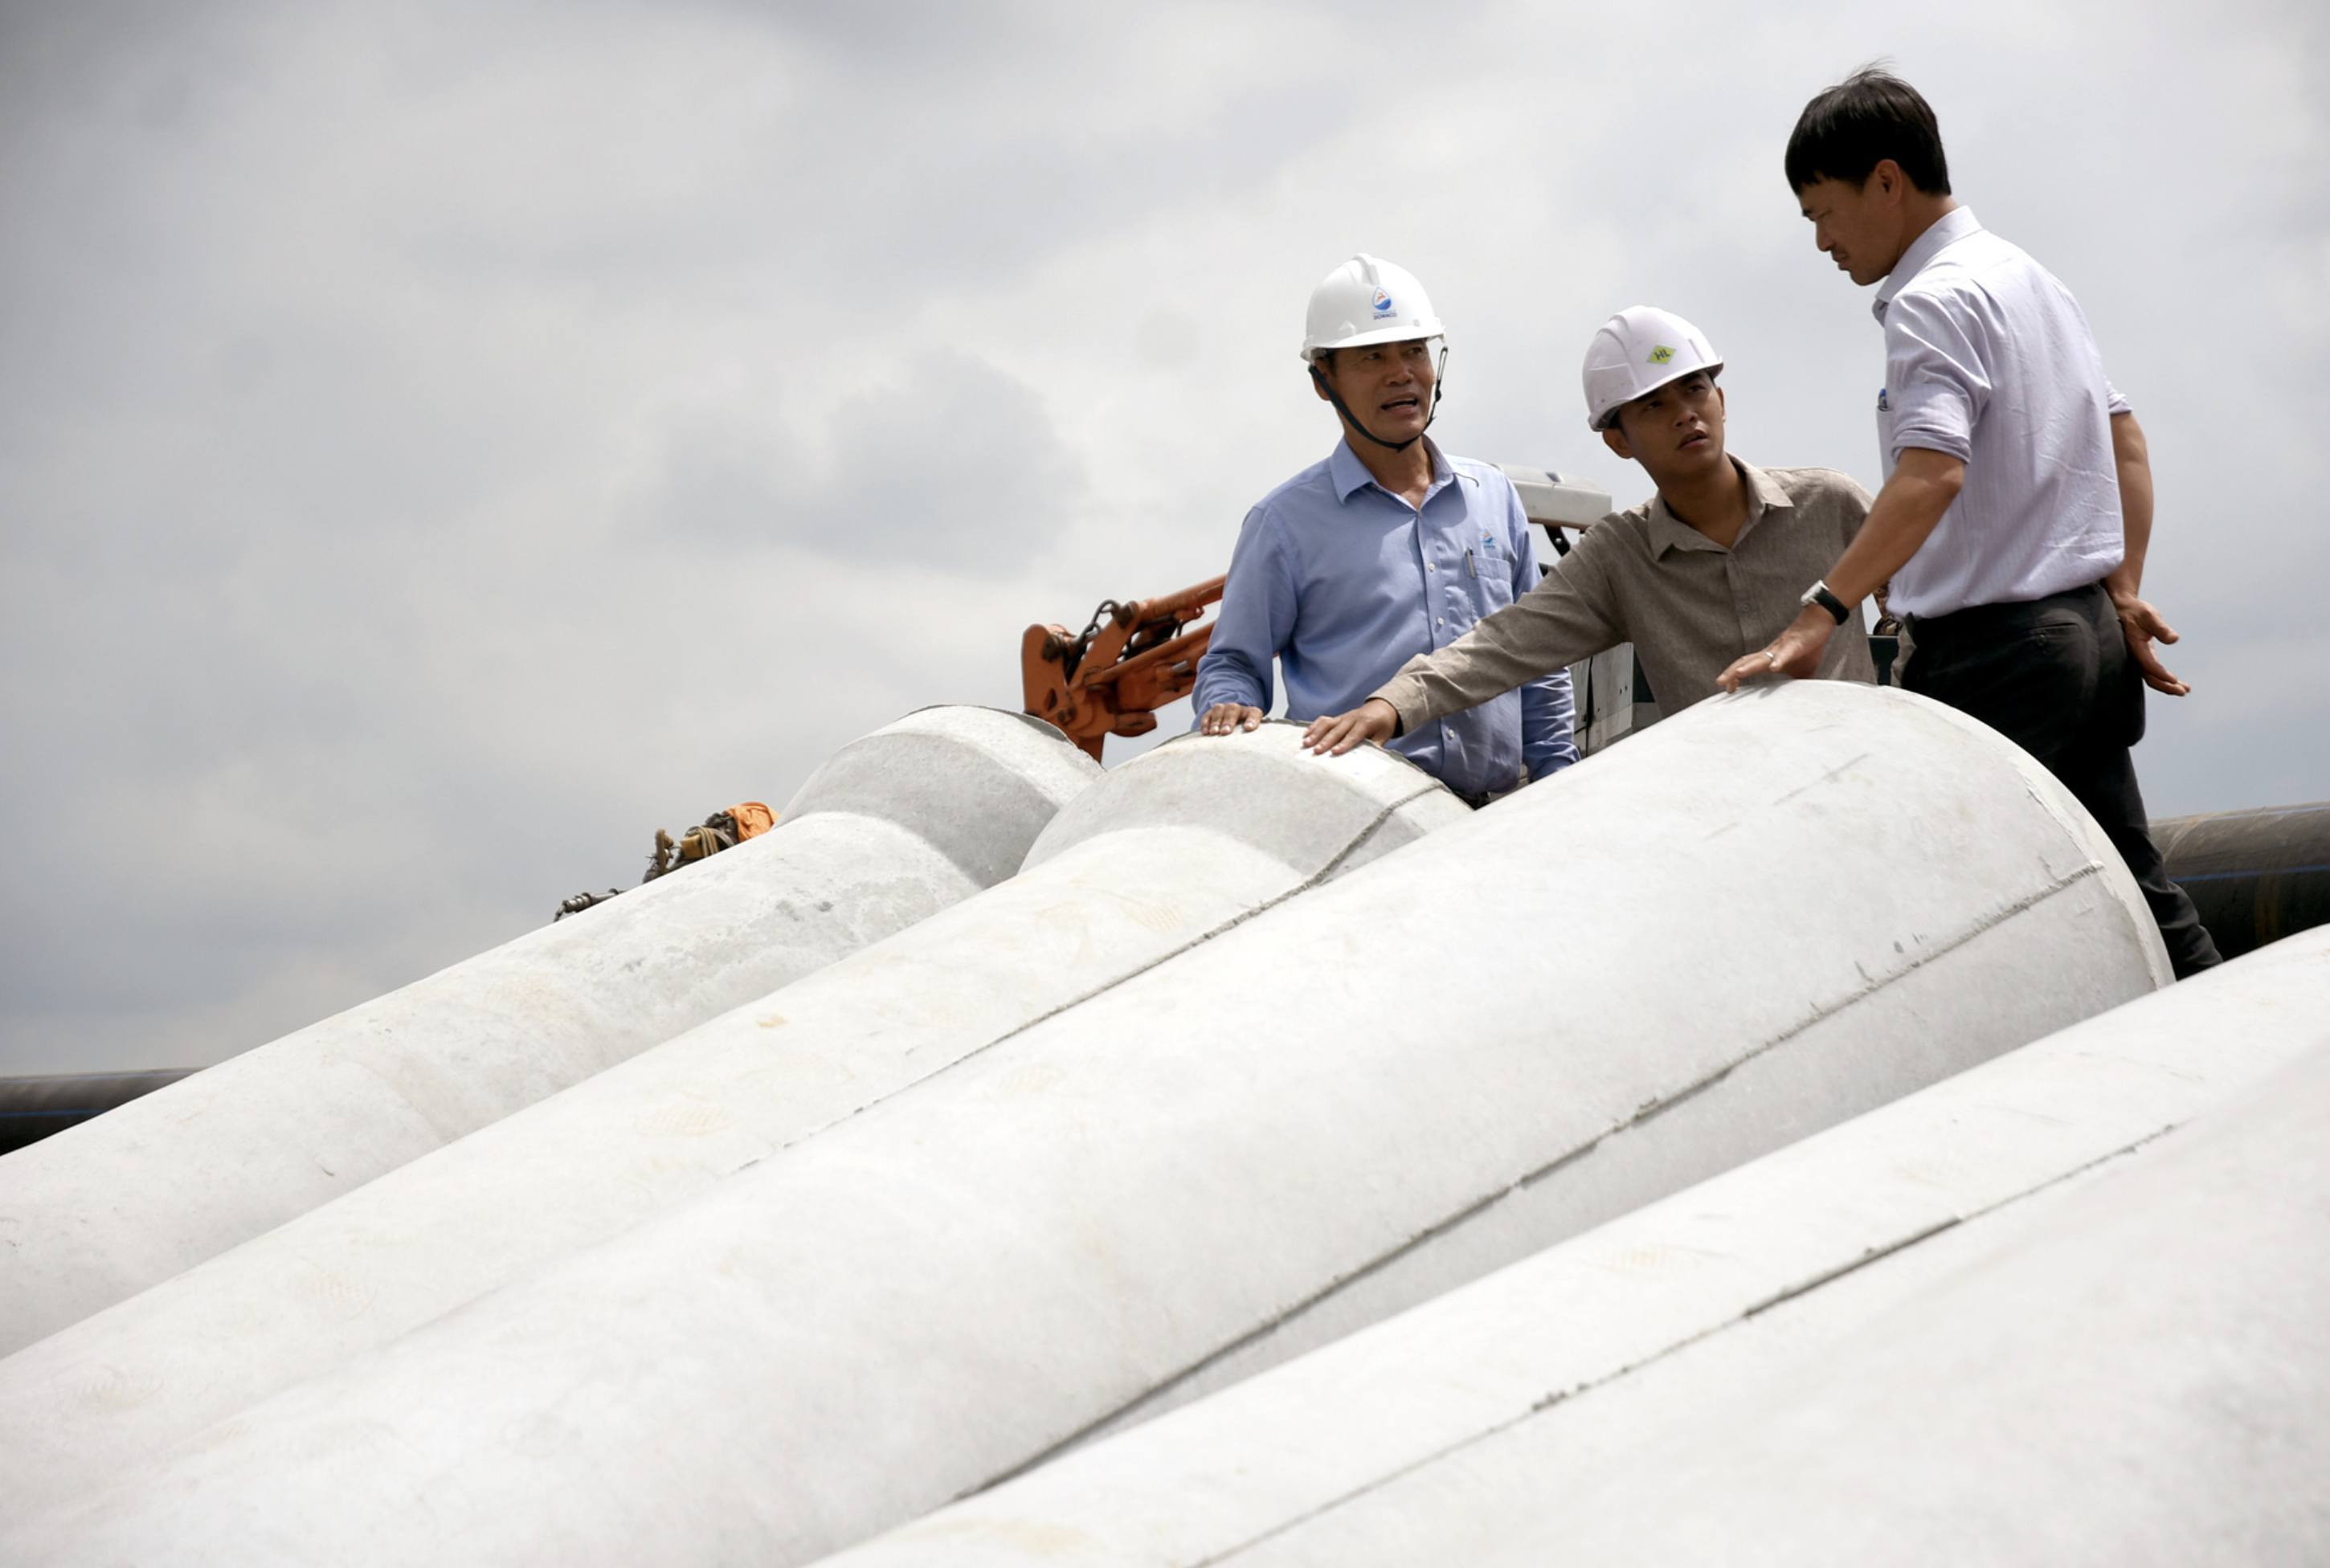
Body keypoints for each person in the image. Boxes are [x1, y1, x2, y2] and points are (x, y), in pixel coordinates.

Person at [1715, 67, 2218, 976]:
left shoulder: (1930, 299)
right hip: (2084, 640)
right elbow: (2125, 442)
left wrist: (1815, 615)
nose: (1822, 241)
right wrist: (2121, 588)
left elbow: (1928, 476)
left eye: (1822, 212)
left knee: (1945, 933)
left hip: (1997, 657)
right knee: (2133, 897)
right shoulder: (2030, 279)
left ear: (1884, 180)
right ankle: (2244, 1071)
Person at [1299, 305, 1875, 762]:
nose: (1685, 414)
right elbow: (1503, 643)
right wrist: (1392, 705)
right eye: (1653, 405)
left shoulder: (1831, 504)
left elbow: (1931, 601)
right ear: (1618, 441)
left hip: (1861, 779)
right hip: (1729, 823)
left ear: (1721, 400)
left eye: (1695, 390)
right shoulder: (1619, 559)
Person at [1193, 255, 1576, 804]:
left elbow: (1538, 655)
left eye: (1415, 351)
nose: (1401, 373)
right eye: (1373, 356)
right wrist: (1227, 705)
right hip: (1354, 820)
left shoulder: (1493, 498)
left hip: (1495, 819)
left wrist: (1558, 785)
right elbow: (1233, 663)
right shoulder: (1283, 525)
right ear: (1323, 381)